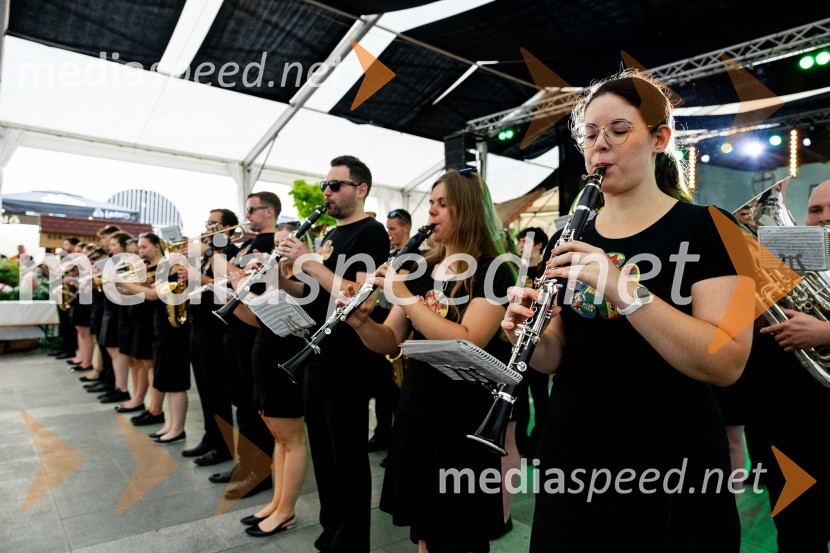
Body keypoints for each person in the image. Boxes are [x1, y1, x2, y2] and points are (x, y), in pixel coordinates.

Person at [502, 68, 753, 551]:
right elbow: (556, 354)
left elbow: (727, 361)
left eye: (618, 131)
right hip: (574, 449)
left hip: (672, 457)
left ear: (660, 138)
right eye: (590, 134)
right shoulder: (569, 234)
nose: (600, 145)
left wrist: (625, 289)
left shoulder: (714, 229)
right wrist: (525, 337)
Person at [341, 168, 515, 553]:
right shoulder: (420, 269)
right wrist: (359, 322)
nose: (431, 213)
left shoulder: (492, 270)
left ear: (466, 210)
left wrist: (403, 295)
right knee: (425, 533)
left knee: (458, 533)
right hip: (417, 412)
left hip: (463, 421)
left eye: (442, 205)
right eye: (431, 203)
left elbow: (468, 339)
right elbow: (388, 340)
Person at [275, 155, 389, 552]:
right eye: (325, 185)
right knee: (323, 452)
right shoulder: (328, 237)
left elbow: (358, 296)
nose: (327, 191)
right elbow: (310, 297)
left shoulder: (372, 233)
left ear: (360, 189)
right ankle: (332, 527)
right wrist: (281, 277)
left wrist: (310, 261)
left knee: (348, 456)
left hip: (349, 361)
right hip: (315, 355)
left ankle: (353, 538)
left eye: (335, 185)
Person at [748, 179, 830, 552]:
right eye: (815, 210)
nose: (823, 219)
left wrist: (824, 331)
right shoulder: (788, 259)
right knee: (798, 537)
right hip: (794, 436)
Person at [236, 221, 309, 537]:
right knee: (278, 438)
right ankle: (276, 502)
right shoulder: (275, 276)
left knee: (291, 440)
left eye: (286, 242)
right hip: (264, 360)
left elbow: (302, 325)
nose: (279, 249)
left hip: (287, 366)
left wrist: (275, 282)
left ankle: (286, 511)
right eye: (277, 243)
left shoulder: (307, 278)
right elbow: (257, 321)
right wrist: (239, 292)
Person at [208, 192, 278, 500]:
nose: (246, 214)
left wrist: (225, 268)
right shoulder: (249, 243)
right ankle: (245, 463)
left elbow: (232, 274)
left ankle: (259, 470)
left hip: (251, 330)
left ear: (268, 211)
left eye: (251, 209)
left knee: (252, 407)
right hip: (233, 329)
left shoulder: (269, 243)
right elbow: (224, 270)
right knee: (241, 403)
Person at [182, 209, 239, 467]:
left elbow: (229, 290)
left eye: (214, 224)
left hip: (217, 328)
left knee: (217, 390)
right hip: (199, 326)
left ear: (228, 228)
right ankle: (210, 436)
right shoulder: (205, 253)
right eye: (207, 222)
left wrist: (199, 277)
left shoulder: (233, 253)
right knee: (204, 389)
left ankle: (223, 445)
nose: (207, 227)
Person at [367, 209, 414, 456]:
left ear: (406, 228)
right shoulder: (391, 255)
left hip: (401, 327)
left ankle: (397, 441)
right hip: (382, 323)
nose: (389, 232)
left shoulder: (416, 257)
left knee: (396, 392)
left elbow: (405, 290)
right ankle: (382, 434)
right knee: (381, 390)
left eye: (393, 228)